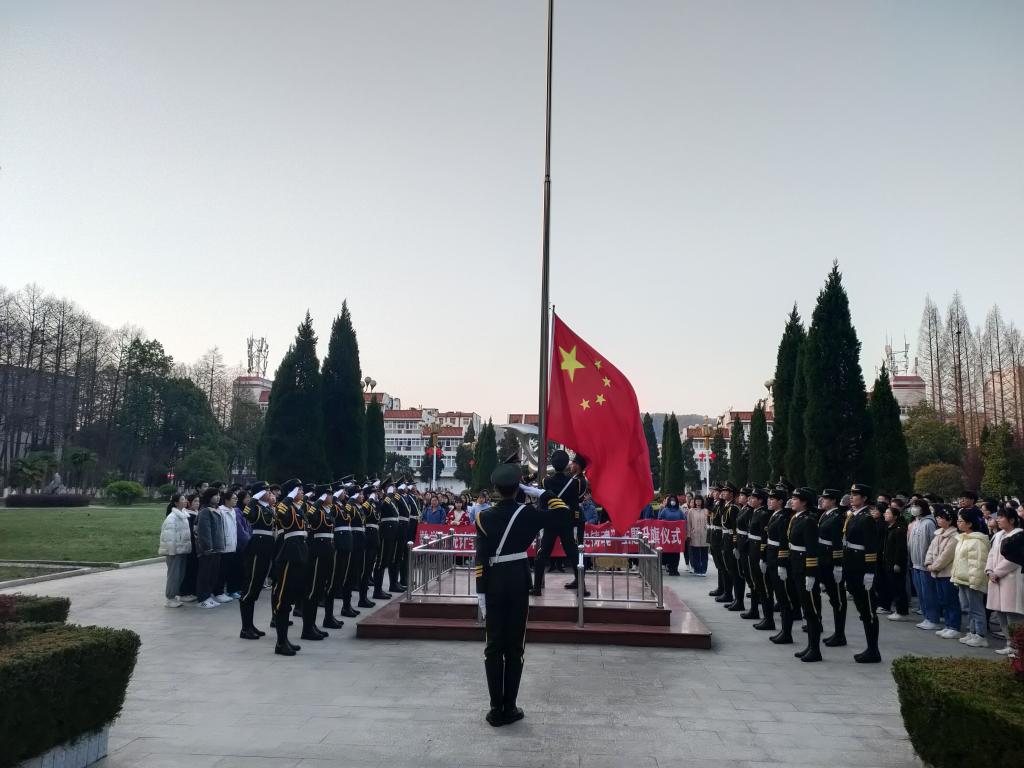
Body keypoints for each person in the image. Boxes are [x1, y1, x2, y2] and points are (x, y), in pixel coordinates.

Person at [475, 461, 571, 726]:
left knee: (493, 647)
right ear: (519, 487)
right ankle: (510, 707)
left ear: (495, 488)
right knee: (515, 647)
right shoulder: (528, 514)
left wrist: (480, 592)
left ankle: (495, 709)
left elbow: (480, 558)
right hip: (518, 581)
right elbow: (563, 513)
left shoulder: (484, 517)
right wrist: (540, 492)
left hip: (493, 583)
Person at [532, 449, 585, 596]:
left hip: (550, 520)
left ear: (553, 465)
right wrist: (574, 522)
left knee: (542, 554)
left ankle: (537, 587)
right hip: (566, 521)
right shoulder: (574, 482)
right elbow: (575, 506)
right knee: (573, 553)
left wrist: (542, 521)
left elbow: (543, 504)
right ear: (566, 464)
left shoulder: (546, 481)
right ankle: (581, 585)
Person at [843, 483, 882, 663]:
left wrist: (869, 572)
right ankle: (870, 648)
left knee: (868, 610)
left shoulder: (866, 518)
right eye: (851, 494)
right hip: (852, 565)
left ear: (865, 498)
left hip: (861, 567)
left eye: (856, 494)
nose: (852, 497)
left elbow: (871, 548)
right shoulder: (854, 516)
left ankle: (873, 650)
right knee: (862, 608)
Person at [271, 479, 309, 656]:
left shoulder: (297, 508)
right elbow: (280, 512)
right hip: (289, 553)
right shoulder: (286, 506)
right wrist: (289, 497)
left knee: (290, 598)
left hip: (299, 551)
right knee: (283, 599)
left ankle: (285, 640)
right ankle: (280, 643)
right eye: (298, 490)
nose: (302, 492)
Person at [238, 482, 276, 640]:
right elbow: (247, 514)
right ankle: (245, 628)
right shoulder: (256, 507)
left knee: (256, 587)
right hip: (257, 548)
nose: (270, 493)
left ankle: (250, 625)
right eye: (266, 491)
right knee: (250, 587)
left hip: (266, 548)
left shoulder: (268, 508)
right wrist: (254, 498)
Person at [300, 483, 337, 640]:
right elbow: (310, 517)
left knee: (319, 590)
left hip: (327, 551)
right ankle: (307, 628)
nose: (331, 496)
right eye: (328, 494)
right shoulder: (315, 509)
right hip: (317, 552)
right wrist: (318, 501)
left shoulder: (327, 510)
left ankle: (312, 625)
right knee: (312, 590)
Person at [951, 508, 991, 648]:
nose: (958, 523)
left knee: (976, 608)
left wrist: (975, 582)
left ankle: (980, 635)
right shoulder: (963, 538)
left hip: (972, 580)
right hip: (962, 578)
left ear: (969, 524)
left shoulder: (977, 541)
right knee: (968, 607)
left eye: (961, 521)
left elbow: (978, 564)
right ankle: (972, 631)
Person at [985, 506, 1022, 655]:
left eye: (1001, 517)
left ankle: (1018, 647)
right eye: (998, 517)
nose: (998, 520)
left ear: (1011, 520)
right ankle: (1009, 643)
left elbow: (1015, 559)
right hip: (996, 579)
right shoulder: (998, 535)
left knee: (1013, 615)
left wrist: (997, 572)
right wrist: (989, 570)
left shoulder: (1019, 535)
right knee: (1000, 613)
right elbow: (991, 554)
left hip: (1012, 579)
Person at [925, 504, 962, 639]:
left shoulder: (954, 536)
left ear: (950, 520)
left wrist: (934, 566)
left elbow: (946, 556)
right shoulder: (938, 534)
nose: (938, 520)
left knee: (951, 600)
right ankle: (947, 624)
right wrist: (928, 562)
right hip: (937, 572)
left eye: (941, 518)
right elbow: (930, 550)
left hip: (947, 573)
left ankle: (954, 626)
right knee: (943, 600)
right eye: (937, 518)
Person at [817, 489, 847, 646]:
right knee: (833, 598)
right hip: (823, 559)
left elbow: (837, 543)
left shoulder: (836, 517)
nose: (822, 501)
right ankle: (837, 633)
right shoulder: (826, 515)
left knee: (838, 599)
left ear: (834, 500)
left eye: (826, 498)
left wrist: (837, 565)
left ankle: (840, 634)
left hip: (831, 561)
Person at [765, 485, 795, 643]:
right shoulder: (775, 515)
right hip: (772, 556)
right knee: (779, 594)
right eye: (769, 498)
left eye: (772, 499)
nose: (769, 501)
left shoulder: (783, 518)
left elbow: (784, 542)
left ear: (780, 502)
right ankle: (784, 631)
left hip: (778, 558)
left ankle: (786, 632)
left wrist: (782, 563)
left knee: (783, 597)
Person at [907, 498, 940, 630]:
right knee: (921, 593)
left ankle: (933, 618)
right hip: (915, 562)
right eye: (912, 506)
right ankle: (926, 617)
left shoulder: (929, 523)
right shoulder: (916, 522)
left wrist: (930, 560)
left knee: (929, 593)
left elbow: (933, 544)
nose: (913, 508)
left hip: (925, 564)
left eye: (916, 506)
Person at [195, 487, 227, 609]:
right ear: (209, 497)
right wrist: (208, 548)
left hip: (217, 548)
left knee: (213, 574)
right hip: (208, 550)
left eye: (219, 495)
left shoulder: (217, 510)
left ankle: (208, 596)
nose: (218, 497)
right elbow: (204, 531)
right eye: (215, 495)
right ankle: (202, 598)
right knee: (205, 574)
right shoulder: (205, 511)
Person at [159, 493, 192, 607]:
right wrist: (172, 552)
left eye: (185, 499)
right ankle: (170, 598)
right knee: (173, 575)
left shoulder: (184, 515)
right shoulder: (172, 518)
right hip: (174, 552)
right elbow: (169, 537)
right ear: (176, 503)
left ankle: (175, 596)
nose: (185, 501)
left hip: (182, 550)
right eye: (182, 499)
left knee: (180, 575)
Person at [743, 487, 770, 624]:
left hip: (758, 550)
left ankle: (767, 618)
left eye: (754, 498)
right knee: (754, 582)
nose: (750, 499)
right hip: (752, 548)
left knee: (761, 585)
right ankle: (754, 610)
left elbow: (764, 537)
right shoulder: (755, 512)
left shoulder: (763, 514)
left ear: (760, 500)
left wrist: (762, 556)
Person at [882, 505, 910, 621]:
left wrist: (897, 563)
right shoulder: (890, 528)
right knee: (894, 586)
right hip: (889, 562)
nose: (885, 515)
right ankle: (898, 610)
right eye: (885, 513)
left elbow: (900, 548)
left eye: (888, 513)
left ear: (895, 516)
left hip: (896, 564)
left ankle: (902, 612)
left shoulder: (899, 529)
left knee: (899, 587)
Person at [719, 483, 744, 612]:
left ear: (732, 494)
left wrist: (735, 545)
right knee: (729, 570)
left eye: (726, 491)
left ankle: (739, 600)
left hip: (730, 540)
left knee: (735, 572)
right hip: (725, 539)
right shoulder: (727, 506)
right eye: (722, 491)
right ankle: (733, 597)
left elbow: (735, 528)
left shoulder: (733, 508)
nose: (723, 493)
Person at [218, 489, 241, 600]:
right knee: (222, 571)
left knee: (231, 569)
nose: (236, 500)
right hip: (224, 545)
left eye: (236, 498)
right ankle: (219, 592)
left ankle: (231, 591)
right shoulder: (221, 511)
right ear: (226, 500)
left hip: (233, 543)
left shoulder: (233, 511)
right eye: (233, 498)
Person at [658, 495, 684, 575]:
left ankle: (675, 569)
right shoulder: (665, 510)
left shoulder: (679, 511)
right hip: (667, 535)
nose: (673, 501)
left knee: (676, 553)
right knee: (667, 552)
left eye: (674, 500)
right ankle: (668, 567)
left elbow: (683, 521)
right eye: (671, 500)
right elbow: (659, 519)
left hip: (676, 535)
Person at [686, 494, 709, 577]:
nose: (698, 502)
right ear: (694, 502)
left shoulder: (706, 511)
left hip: (704, 534)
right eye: (696, 500)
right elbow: (688, 524)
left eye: (700, 500)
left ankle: (704, 569)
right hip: (694, 534)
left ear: (702, 501)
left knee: (704, 553)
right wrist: (688, 534)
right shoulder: (691, 511)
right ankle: (697, 569)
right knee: (695, 554)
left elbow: (709, 522)